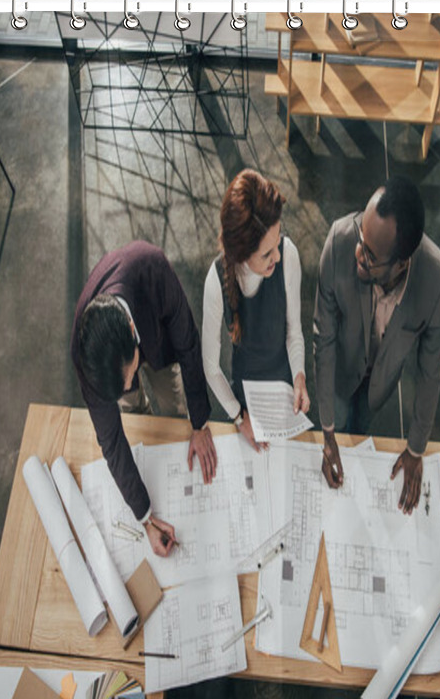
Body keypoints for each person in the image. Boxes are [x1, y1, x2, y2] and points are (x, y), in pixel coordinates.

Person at [313, 176, 440, 514]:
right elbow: (324, 338)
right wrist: (327, 430)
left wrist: (416, 449)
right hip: (341, 368)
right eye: (361, 236)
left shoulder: (435, 280)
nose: (358, 253)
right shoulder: (339, 240)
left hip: (381, 383)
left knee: (361, 423)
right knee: (343, 420)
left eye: (371, 256)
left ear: (402, 263)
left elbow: (431, 371)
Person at [71, 241, 217, 557]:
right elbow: (111, 442)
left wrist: (200, 423)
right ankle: (136, 402)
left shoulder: (153, 268)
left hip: (161, 340)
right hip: (121, 358)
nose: (129, 385)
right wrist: (145, 517)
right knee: (134, 410)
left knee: (172, 402)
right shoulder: (87, 356)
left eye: (129, 375)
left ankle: (177, 420)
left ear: (132, 330)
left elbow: (189, 345)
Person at [202, 169, 309, 451]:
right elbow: (211, 368)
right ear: (240, 255)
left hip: (283, 387)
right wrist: (239, 417)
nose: (277, 256)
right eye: (266, 254)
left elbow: (294, 332)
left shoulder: (289, 256)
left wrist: (299, 376)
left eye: (277, 243)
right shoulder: (216, 282)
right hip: (245, 394)